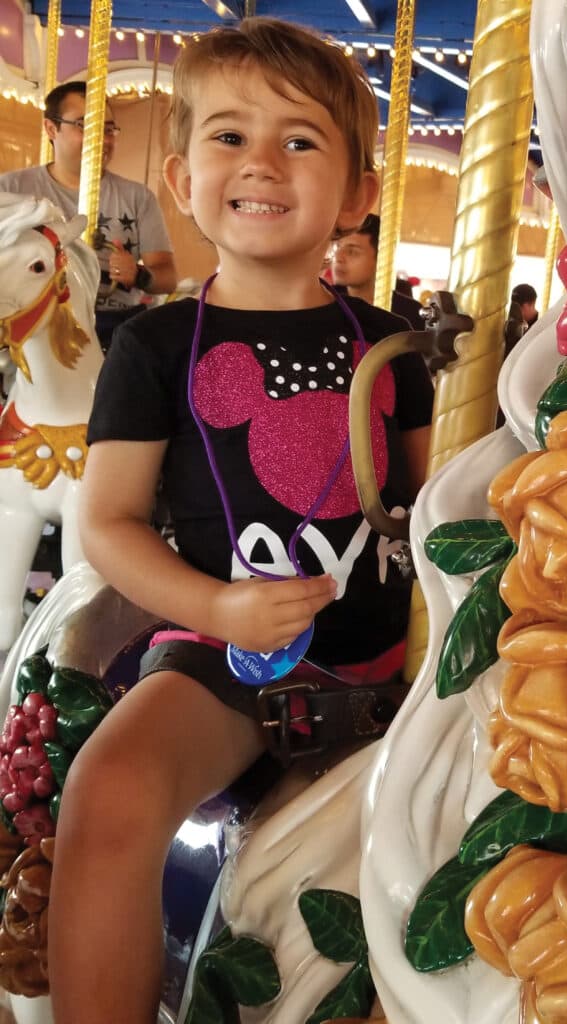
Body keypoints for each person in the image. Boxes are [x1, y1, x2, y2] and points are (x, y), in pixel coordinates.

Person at [48, 19, 434, 1024]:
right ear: (179, 178)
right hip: (229, 665)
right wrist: (217, 607)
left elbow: (425, 512)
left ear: (358, 193)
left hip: (392, 661)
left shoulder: (393, 348)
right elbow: (109, 524)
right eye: (228, 137)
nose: (261, 162)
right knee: (111, 791)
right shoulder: (157, 347)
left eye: (300, 140)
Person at [0, 81, 177, 350]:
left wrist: (139, 275)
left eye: (108, 129)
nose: (102, 139)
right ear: (51, 128)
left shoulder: (138, 198)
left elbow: (168, 277)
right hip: (36, 323)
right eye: (85, 126)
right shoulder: (11, 190)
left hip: (114, 325)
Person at [330, 212, 424, 325]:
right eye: (338, 247)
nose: (338, 257)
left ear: (381, 257)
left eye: (352, 252)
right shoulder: (326, 302)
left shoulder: (409, 313)